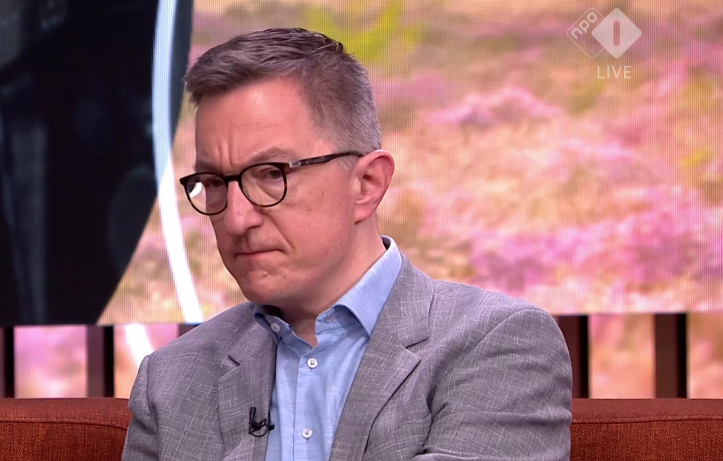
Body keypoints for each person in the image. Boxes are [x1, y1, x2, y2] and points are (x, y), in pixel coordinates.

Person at [122, 28, 572, 461]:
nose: (236, 219)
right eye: (215, 182)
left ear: (367, 184)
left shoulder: (497, 344)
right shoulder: (170, 379)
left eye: (272, 174)